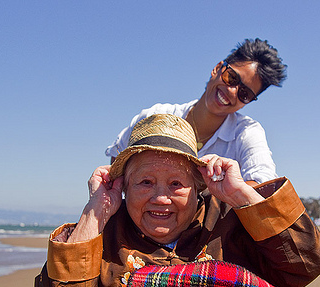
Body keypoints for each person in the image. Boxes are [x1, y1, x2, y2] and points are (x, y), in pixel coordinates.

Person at [35, 114, 320, 287]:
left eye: (176, 183)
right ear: (125, 187)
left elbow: (306, 265)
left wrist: (240, 195)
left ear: (197, 185)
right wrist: (95, 211)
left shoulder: (229, 217)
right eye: (145, 182)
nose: (160, 198)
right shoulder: (105, 230)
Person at [106, 38, 287, 186]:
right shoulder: (156, 116)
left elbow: (265, 182)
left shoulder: (247, 132)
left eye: (244, 94)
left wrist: (227, 193)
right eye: (231, 77)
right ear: (217, 68)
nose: (232, 91)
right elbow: (117, 162)